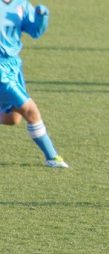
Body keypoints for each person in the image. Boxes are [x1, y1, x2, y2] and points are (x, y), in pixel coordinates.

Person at [0, 1, 68, 167]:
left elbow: (35, 31)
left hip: (14, 66)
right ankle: (52, 157)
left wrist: (41, 17)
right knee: (31, 110)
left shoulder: (21, 4)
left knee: (13, 118)